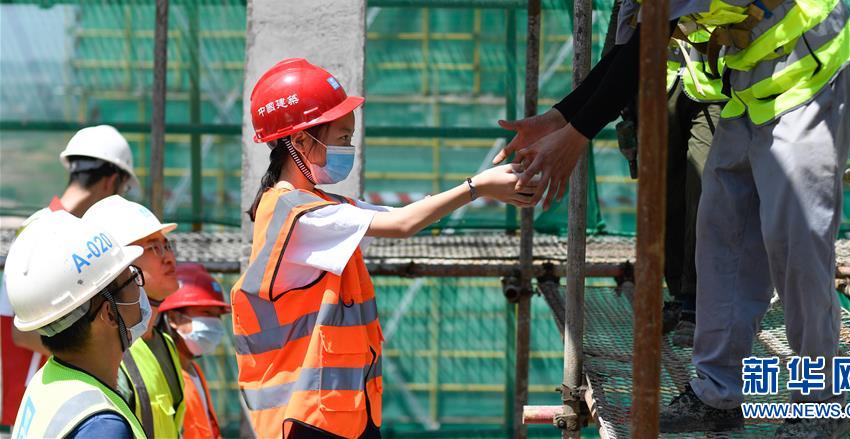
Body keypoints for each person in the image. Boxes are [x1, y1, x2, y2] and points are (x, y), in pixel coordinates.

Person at [498, 0, 850, 350]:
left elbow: (644, 51)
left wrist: (575, 137)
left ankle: (818, 400)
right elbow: (621, 58)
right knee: (718, 240)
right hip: (752, 87)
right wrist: (557, 118)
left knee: (795, 244)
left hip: (810, 76)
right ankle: (717, 393)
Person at [231, 58, 536, 439]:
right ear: (299, 141)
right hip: (309, 418)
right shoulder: (299, 214)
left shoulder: (320, 207)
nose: (349, 147)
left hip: (339, 413)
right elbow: (403, 224)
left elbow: (405, 214)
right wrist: (477, 188)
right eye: (342, 138)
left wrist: (481, 189)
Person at [0, 124, 139, 428]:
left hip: (50, 398)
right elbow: (21, 332)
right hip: (63, 407)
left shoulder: (41, 230)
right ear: (113, 180)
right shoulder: (52, 238)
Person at [6, 211, 149, 438]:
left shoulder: (49, 381)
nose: (141, 287)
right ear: (110, 313)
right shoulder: (103, 427)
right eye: (131, 278)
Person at [83, 195, 185, 439]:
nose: (169, 257)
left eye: (167, 245)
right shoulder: (106, 355)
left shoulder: (165, 345)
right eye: (153, 248)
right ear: (119, 264)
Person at [158, 263, 230, 439]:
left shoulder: (194, 372)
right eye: (206, 312)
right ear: (174, 318)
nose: (215, 323)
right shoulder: (164, 376)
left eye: (217, 316)